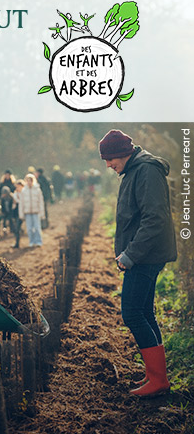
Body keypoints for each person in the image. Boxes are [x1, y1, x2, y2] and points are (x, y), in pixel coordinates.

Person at [99, 129, 177, 397]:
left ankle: (158, 380)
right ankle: (157, 376)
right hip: (144, 255)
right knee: (144, 313)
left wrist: (130, 254)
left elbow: (154, 219)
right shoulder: (134, 170)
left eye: (110, 159)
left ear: (123, 153)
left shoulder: (145, 171)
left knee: (132, 313)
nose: (108, 165)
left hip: (146, 256)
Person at [19, 174, 45, 247]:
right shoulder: (24, 191)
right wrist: (21, 214)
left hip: (36, 211)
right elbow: (21, 203)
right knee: (29, 228)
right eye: (27, 181)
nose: (29, 182)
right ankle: (31, 241)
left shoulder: (37, 190)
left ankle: (38, 241)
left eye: (30, 181)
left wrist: (42, 212)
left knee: (37, 227)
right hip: (27, 212)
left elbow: (41, 202)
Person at [12, 179, 25, 248]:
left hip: (22, 213)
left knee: (17, 228)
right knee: (16, 228)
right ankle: (17, 243)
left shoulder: (24, 194)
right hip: (16, 213)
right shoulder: (15, 194)